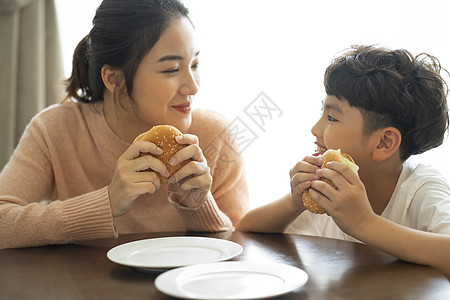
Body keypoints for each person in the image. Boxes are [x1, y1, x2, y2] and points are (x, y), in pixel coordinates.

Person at [0, 0, 249, 249]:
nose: (193, 86)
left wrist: (197, 205)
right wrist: (106, 202)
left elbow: (242, 249)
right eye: (172, 69)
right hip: (86, 286)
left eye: (194, 65)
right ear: (114, 78)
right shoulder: (56, 129)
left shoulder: (215, 134)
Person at [237, 45, 450, 278]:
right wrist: (294, 202)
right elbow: (247, 233)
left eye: (331, 117)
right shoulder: (329, 187)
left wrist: (364, 223)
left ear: (384, 143)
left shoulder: (421, 189)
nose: (315, 129)